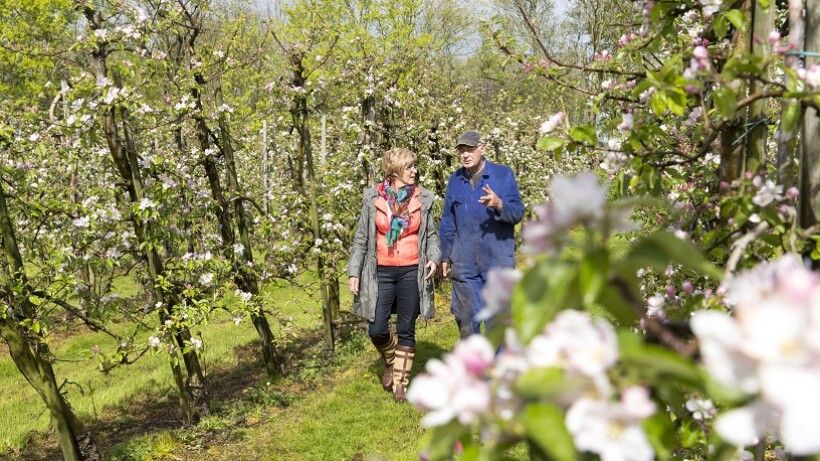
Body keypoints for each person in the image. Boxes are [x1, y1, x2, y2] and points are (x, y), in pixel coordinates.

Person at [348, 148, 440, 402]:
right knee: (376, 328)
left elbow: (431, 235)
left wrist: (433, 257)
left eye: (414, 167)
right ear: (395, 171)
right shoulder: (373, 198)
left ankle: (401, 382)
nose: (414, 171)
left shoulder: (422, 198)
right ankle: (392, 361)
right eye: (409, 167)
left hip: (411, 269)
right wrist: (354, 271)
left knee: (406, 328)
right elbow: (361, 240)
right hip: (381, 272)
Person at [439, 130, 524, 338]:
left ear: (482, 148)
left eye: (470, 150)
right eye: (461, 151)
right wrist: (444, 255)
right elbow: (448, 221)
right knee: (466, 320)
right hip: (464, 264)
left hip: (497, 262)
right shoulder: (455, 180)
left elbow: (517, 213)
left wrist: (499, 204)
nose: (465, 155)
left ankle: (498, 368)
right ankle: (475, 368)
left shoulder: (503, 175)